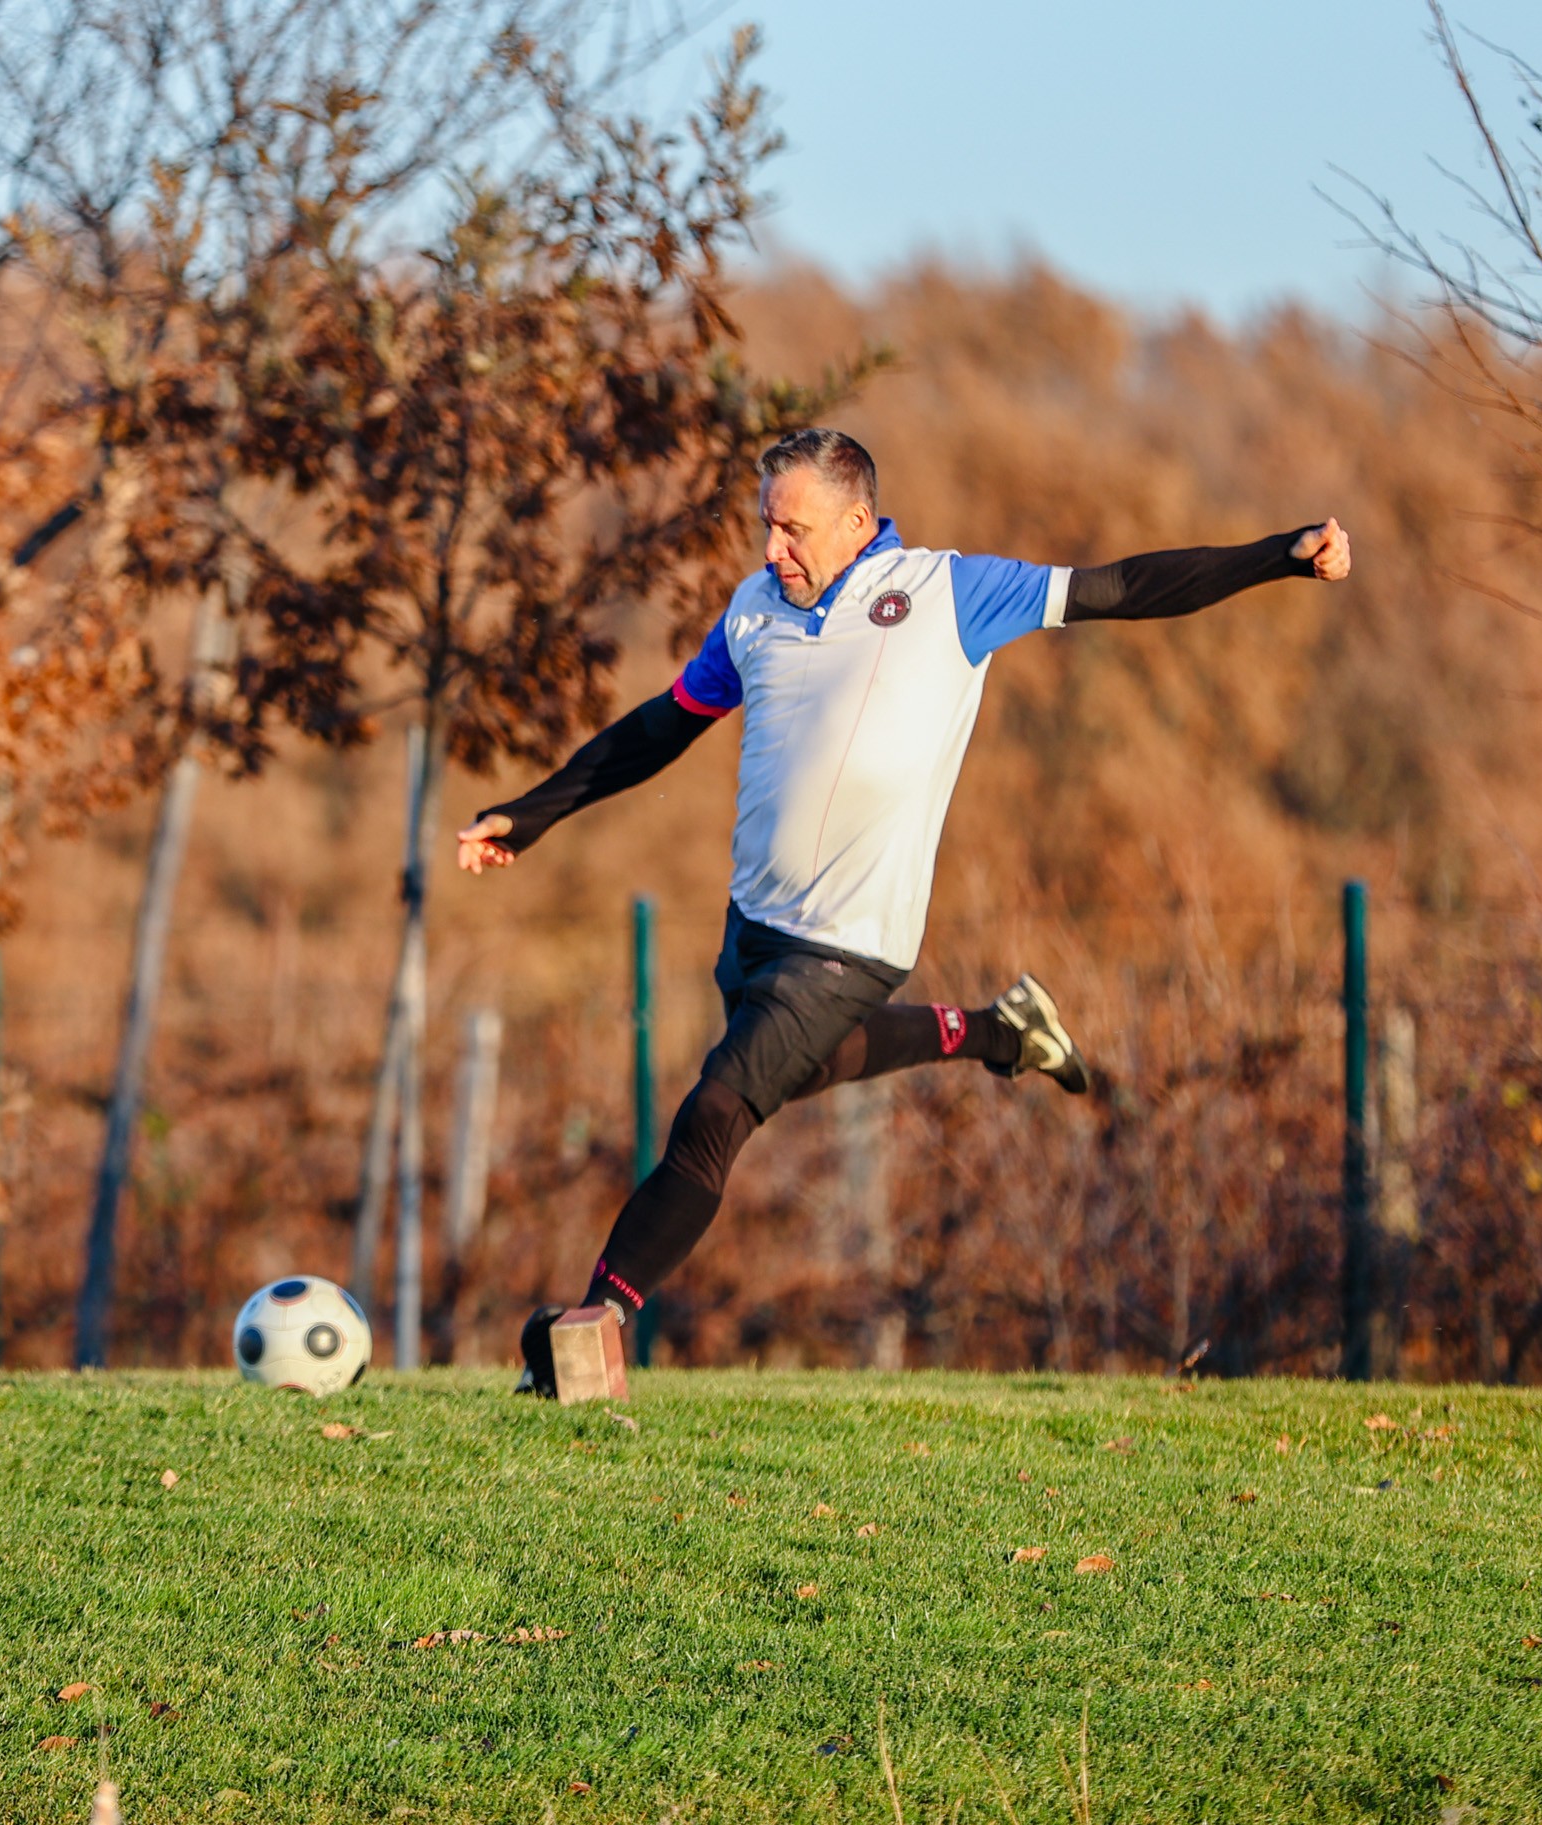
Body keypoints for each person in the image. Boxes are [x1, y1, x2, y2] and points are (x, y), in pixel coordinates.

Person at [457, 428, 1353, 1394]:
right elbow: (663, 725)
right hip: (751, 929)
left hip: (851, 943)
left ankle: (594, 1327)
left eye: (793, 530)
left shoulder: (949, 594)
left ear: (857, 522)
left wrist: (1280, 555)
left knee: (717, 1111)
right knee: (802, 1069)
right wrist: (533, 812)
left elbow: (1122, 586)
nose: (772, 549)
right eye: (766, 526)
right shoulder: (754, 610)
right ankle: (997, 1031)